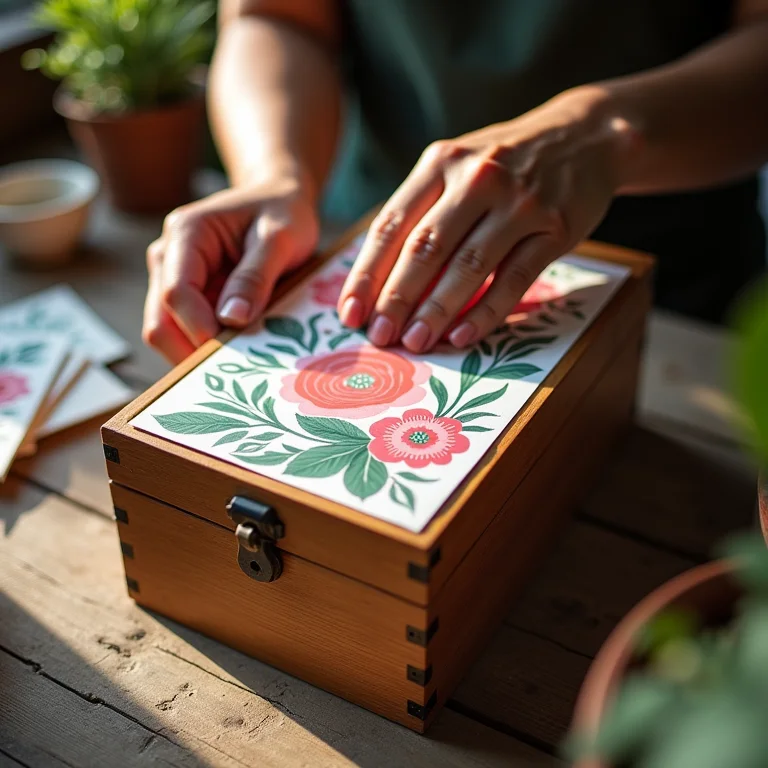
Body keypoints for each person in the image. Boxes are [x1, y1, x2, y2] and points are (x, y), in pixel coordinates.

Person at [143, 0, 768, 363]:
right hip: (364, 248)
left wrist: (602, 133)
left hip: (677, 300)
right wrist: (275, 171)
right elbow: (277, 16)